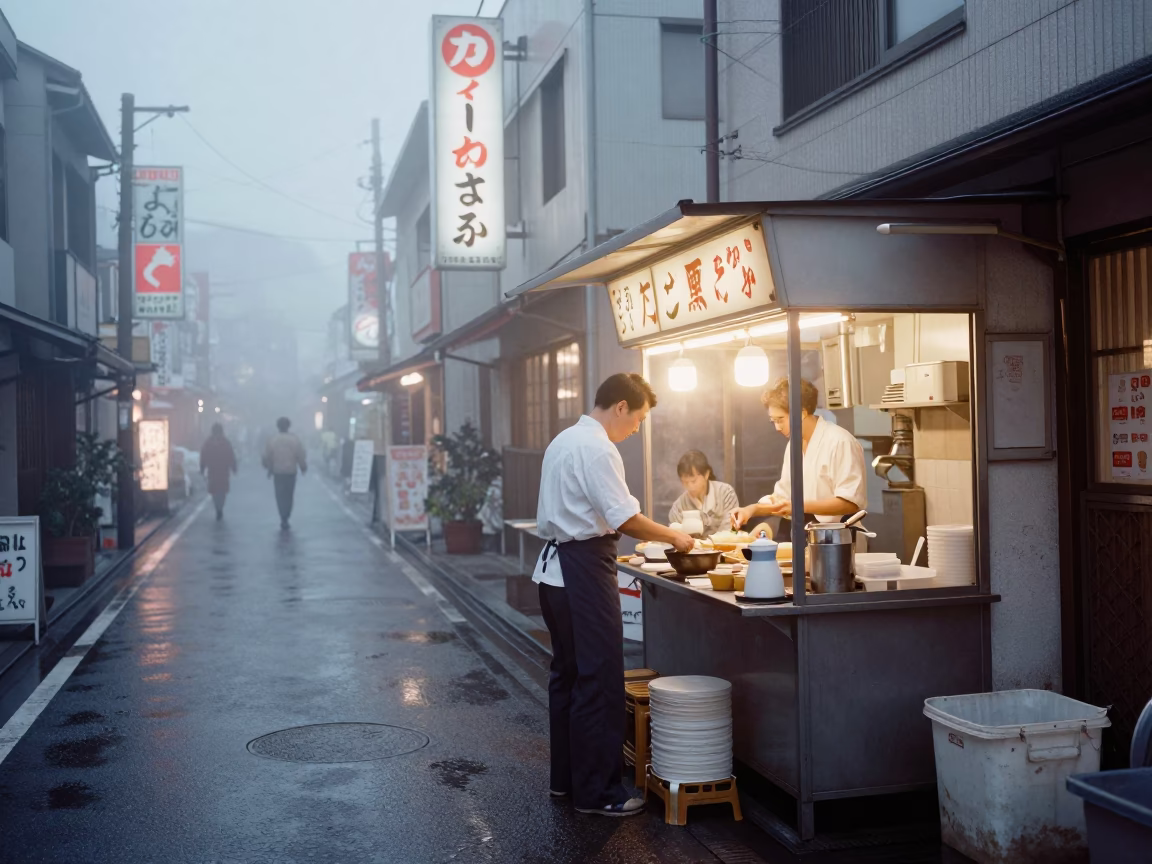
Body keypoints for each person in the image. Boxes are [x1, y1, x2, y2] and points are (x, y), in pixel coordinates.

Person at [533, 373, 694, 817]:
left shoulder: (564, 439)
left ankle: (566, 782)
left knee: (567, 676)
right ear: (621, 406)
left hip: (553, 573)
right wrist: (675, 537)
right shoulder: (598, 446)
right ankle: (599, 792)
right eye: (639, 418)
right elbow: (626, 519)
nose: (637, 428)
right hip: (583, 570)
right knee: (599, 679)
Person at [730, 378, 866, 539]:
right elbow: (783, 498)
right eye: (773, 421)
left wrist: (798, 506)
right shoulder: (793, 445)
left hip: (839, 537)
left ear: (801, 413)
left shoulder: (840, 441)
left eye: (780, 420)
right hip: (806, 533)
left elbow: (850, 502)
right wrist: (751, 510)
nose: (777, 427)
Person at [668, 450, 740, 537]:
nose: (690, 486)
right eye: (685, 482)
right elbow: (677, 538)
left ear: (706, 474)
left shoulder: (726, 493)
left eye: (693, 481)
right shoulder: (678, 508)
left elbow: (732, 531)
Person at [263, 416, 307, 530]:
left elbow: (267, 456)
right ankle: (286, 515)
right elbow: (300, 455)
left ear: (278, 426)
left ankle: (282, 516)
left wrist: (268, 467)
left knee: (279, 495)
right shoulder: (294, 440)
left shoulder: (272, 440)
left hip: (278, 472)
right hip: (290, 472)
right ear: (288, 426)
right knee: (289, 495)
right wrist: (303, 467)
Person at [200, 423, 237, 521]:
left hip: (213, 470)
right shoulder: (225, 442)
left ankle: (217, 507)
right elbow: (231, 455)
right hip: (223, 470)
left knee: (214, 490)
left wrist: (202, 468)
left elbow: (203, 456)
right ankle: (220, 507)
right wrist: (234, 467)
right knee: (223, 490)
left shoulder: (208, 442)